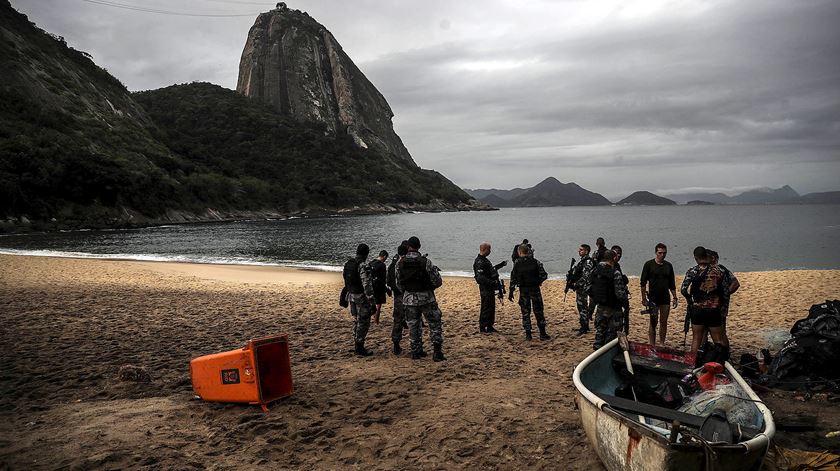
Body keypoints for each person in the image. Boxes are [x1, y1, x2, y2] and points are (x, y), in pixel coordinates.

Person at [396, 236, 446, 361]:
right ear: (419, 246)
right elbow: (438, 281)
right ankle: (437, 352)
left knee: (413, 325)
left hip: (409, 298)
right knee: (434, 323)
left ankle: (416, 351)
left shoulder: (400, 262)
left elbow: (398, 283)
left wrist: (407, 292)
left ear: (408, 247)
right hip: (426, 297)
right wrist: (430, 288)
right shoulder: (426, 262)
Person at [681, 246, 728, 355]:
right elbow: (725, 291)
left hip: (698, 308)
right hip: (713, 308)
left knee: (696, 339)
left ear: (696, 258)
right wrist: (724, 306)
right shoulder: (719, 271)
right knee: (717, 339)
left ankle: (693, 363)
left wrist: (689, 300)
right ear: (707, 256)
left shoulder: (693, 271)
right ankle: (719, 362)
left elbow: (683, 289)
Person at [587, 249, 628, 350]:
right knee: (611, 339)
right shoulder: (615, 272)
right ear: (614, 258)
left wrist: (590, 309)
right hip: (613, 310)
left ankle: (596, 355)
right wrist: (625, 304)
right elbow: (620, 294)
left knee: (599, 335)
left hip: (600, 308)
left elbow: (590, 290)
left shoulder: (595, 271)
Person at [508, 244, 550, 340]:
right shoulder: (535, 262)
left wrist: (511, 291)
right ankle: (542, 333)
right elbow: (544, 275)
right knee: (539, 311)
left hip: (523, 290)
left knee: (525, 312)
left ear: (519, 252)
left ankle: (528, 334)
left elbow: (513, 278)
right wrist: (538, 282)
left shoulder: (517, 263)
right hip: (535, 289)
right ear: (528, 251)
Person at [640, 243, 678, 345]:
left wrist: (675, 297)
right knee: (653, 322)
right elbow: (643, 283)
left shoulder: (668, 266)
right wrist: (644, 298)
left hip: (665, 298)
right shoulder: (649, 265)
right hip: (653, 298)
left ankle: (661, 343)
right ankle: (652, 344)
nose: (662, 255)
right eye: (660, 253)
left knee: (663, 321)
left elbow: (672, 283)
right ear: (656, 252)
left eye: (664, 253)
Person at [343, 243, 375, 356]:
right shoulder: (362, 265)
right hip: (361, 297)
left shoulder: (349, 263)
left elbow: (345, 279)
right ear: (366, 254)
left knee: (356, 320)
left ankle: (356, 343)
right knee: (364, 322)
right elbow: (367, 285)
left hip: (351, 295)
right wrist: (372, 302)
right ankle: (360, 346)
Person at [707, 249, 740, 348]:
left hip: (719, 306)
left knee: (720, 332)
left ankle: (724, 353)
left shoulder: (721, 270)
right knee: (717, 331)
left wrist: (724, 294)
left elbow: (736, 284)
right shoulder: (722, 270)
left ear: (713, 258)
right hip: (715, 305)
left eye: (707, 257)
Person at [474, 242, 507, 334]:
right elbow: (480, 277)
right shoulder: (479, 261)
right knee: (486, 307)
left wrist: (500, 265)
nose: (490, 251)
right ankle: (482, 327)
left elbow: (491, 269)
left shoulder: (485, 260)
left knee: (491, 307)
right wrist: (492, 282)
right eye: (489, 249)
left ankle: (489, 326)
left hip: (490, 287)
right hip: (485, 287)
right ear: (484, 249)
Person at [569, 244, 595, 335]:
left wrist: (576, 284)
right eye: (579, 250)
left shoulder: (588, 262)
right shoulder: (582, 261)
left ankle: (584, 327)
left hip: (583, 288)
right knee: (580, 307)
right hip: (580, 288)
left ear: (586, 251)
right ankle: (583, 325)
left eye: (581, 250)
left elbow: (585, 277)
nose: (579, 251)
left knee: (583, 307)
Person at [387, 242, 409, 354]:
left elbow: (388, 280)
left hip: (397, 295)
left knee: (397, 319)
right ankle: (416, 346)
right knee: (414, 319)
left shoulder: (392, 264)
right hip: (407, 293)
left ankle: (396, 343)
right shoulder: (404, 263)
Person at [611, 245, 631, 335]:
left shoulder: (617, 266)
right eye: (616, 254)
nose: (618, 257)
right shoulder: (608, 266)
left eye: (620, 255)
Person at [369, 250, 390, 324]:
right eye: (386, 258)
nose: (385, 260)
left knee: (372, 302)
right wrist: (386, 289)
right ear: (384, 256)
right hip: (379, 287)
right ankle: (376, 321)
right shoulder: (382, 265)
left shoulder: (371, 263)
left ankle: (372, 317)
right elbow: (383, 279)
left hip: (371, 286)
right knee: (378, 305)